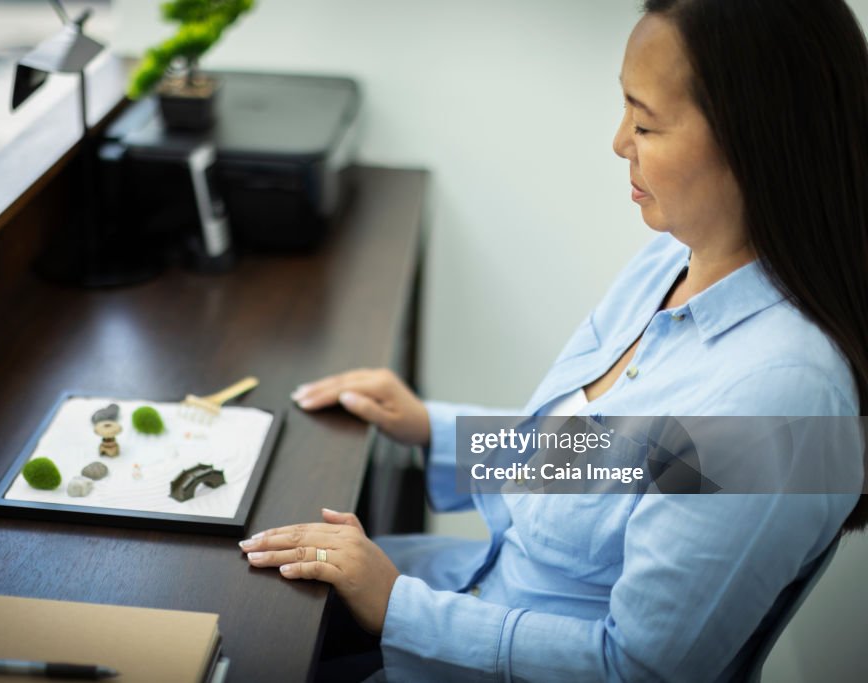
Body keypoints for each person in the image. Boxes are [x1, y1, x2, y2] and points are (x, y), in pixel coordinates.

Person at [239, 0, 868, 679]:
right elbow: (619, 461)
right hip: (473, 587)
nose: (619, 141)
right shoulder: (673, 260)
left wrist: (397, 605)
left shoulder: (778, 397)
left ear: (756, 140)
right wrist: (435, 429)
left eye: (646, 121)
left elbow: (634, 667)